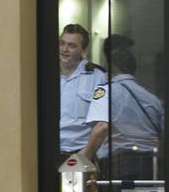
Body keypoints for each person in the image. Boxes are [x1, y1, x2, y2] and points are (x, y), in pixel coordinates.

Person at [80, 34, 164, 180]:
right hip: (151, 166)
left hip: (120, 165)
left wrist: (85, 156)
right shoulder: (153, 99)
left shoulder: (105, 91)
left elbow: (102, 127)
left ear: (111, 65)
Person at [59, 23, 106, 164]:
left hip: (82, 153)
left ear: (83, 50)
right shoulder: (44, 73)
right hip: (49, 152)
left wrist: (84, 157)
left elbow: (102, 124)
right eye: (62, 43)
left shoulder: (98, 76)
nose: (64, 50)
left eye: (71, 46)